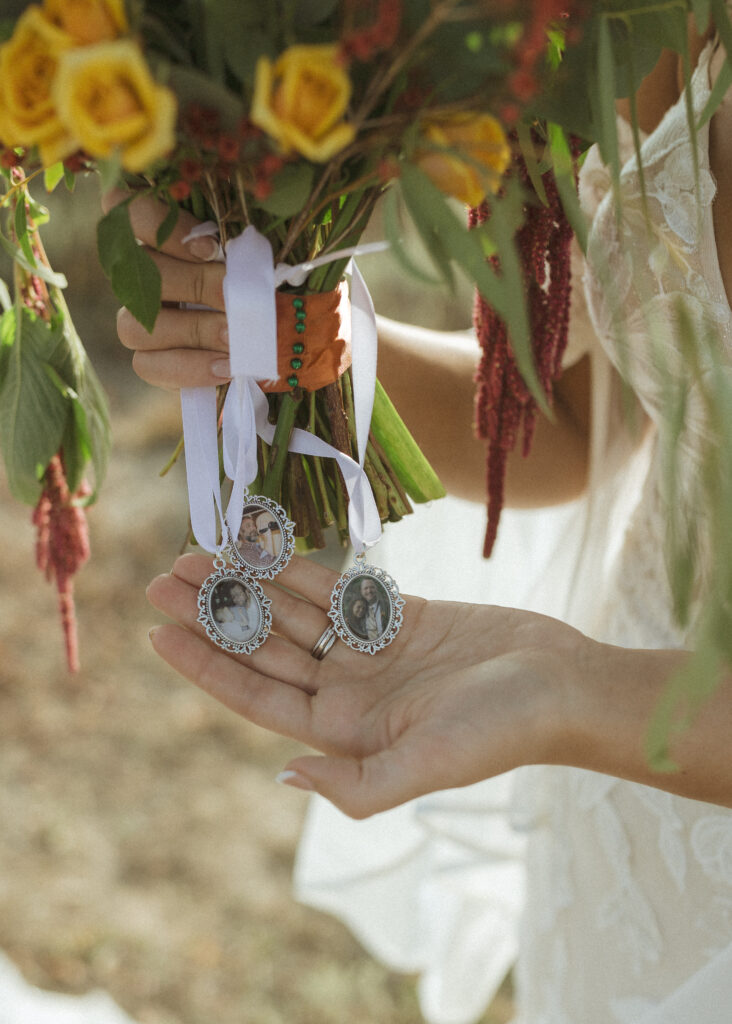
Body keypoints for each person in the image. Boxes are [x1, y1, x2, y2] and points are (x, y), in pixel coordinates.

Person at [119, 17, 732, 1023]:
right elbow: (583, 413)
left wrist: (578, 689)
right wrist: (312, 340)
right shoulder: (668, 29)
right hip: (626, 811)